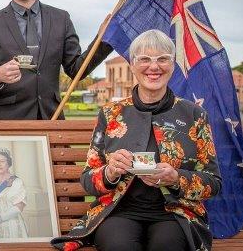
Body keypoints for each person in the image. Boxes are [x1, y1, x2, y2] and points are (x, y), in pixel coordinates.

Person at [51, 30, 222, 251]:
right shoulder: (111, 113)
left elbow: (214, 183)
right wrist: (110, 172)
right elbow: (87, 180)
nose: (154, 67)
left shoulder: (194, 115)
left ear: (172, 65)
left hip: (175, 213)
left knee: (166, 246)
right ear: (132, 65)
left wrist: (175, 178)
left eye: (162, 59)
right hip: (118, 211)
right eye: (144, 59)